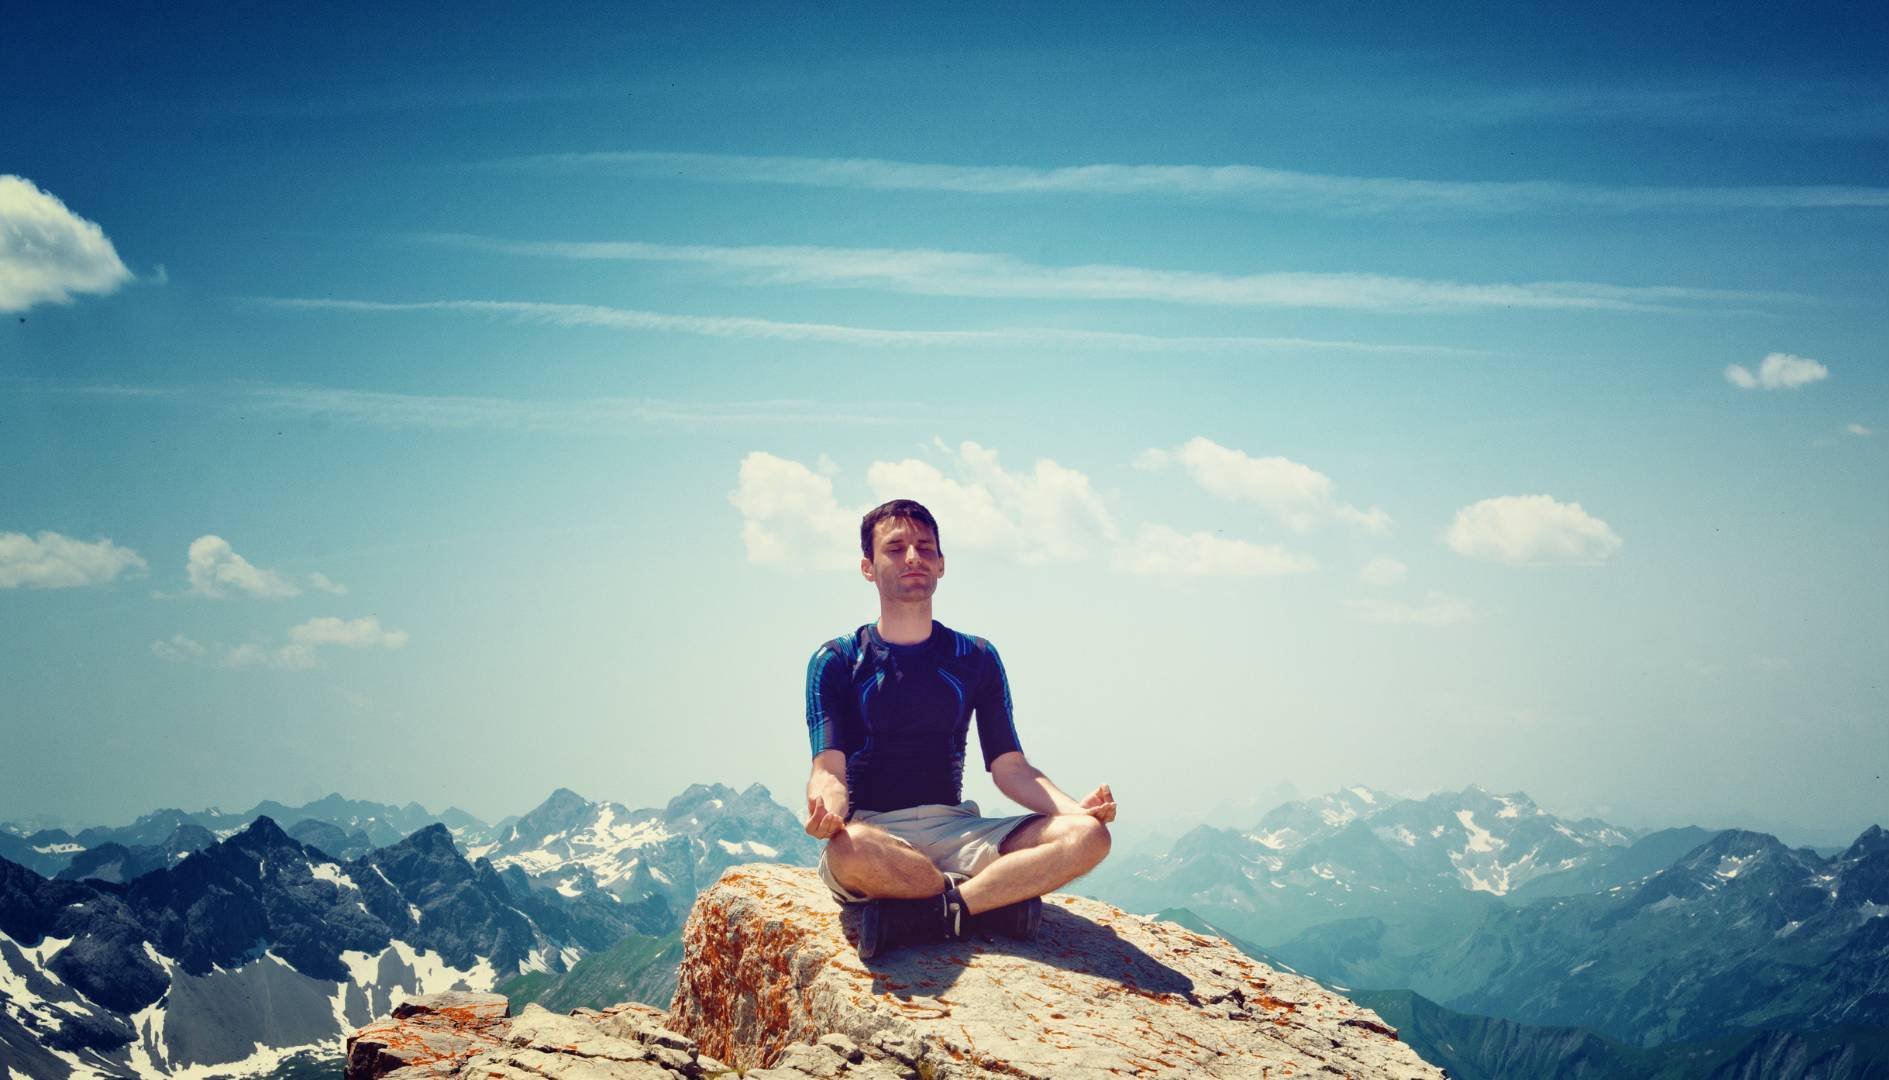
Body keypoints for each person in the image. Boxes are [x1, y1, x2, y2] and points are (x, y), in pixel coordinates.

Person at [804, 498, 1115, 958]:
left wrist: (1075, 811)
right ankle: (987, 901)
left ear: (942, 564)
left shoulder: (975, 657)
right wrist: (828, 811)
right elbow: (828, 767)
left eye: (925, 547)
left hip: (959, 832)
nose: (913, 557)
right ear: (868, 567)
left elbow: (1010, 767)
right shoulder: (836, 660)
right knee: (849, 850)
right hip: (875, 834)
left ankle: (937, 910)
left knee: (1090, 838)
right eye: (896, 548)